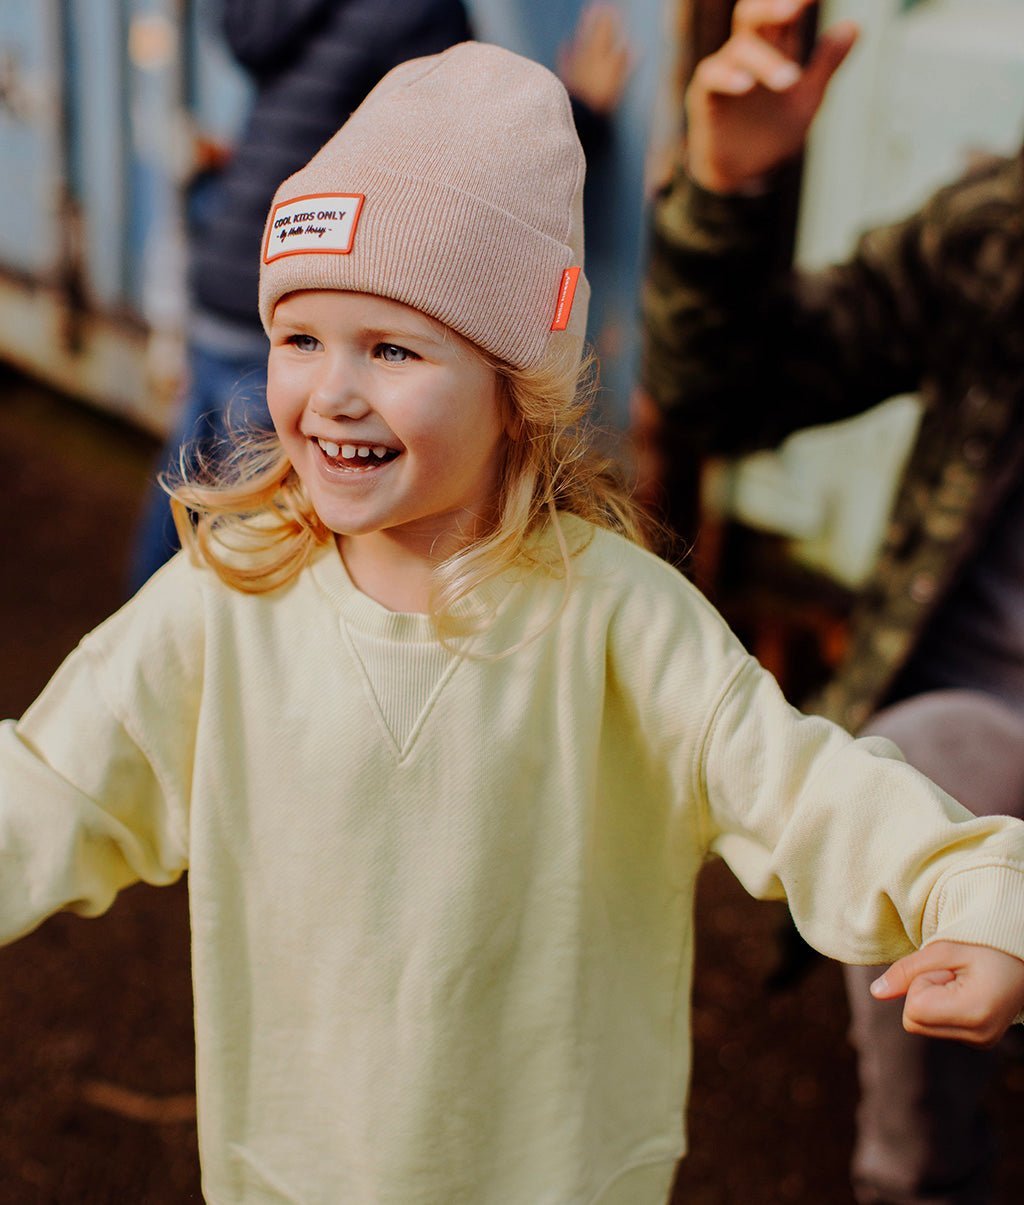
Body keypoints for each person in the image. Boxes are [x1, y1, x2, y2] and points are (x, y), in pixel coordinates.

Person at [5, 39, 1024, 1205]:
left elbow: (806, 787)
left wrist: (970, 889)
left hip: (560, 1176)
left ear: (516, 384)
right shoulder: (223, 602)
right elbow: (52, 783)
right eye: (300, 337)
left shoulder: (620, 619)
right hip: (293, 1170)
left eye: (393, 347)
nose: (332, 391)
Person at [639, 0, 1024, 1201]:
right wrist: (729, 193)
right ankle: (918, 1174)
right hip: (988, 719)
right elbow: (723, 386)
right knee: (921, 755)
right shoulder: (1002, 230)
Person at [129, 0, 473, 590]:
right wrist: (584, 114)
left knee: (186, 498)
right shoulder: (415, 10)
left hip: (228, 276)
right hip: (290, 300)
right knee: (256, 545)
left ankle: (142, 629)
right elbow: (473, 141)